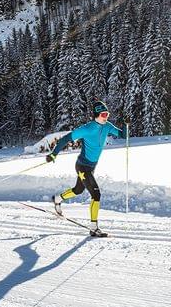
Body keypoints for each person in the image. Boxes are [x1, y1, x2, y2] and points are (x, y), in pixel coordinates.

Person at [46, 101, 127, 237]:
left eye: (107, 114)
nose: (106, 117)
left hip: (91, 166)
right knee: (96, 194)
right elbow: (65, 139)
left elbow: (123, 135)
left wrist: (125, 125)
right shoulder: (87, 128)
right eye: (103, 114)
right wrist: (54, 153)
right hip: (83, 166)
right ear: (96, 115)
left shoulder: (107, 126)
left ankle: (58, 199)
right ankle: (93, 228)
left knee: (78, 190)